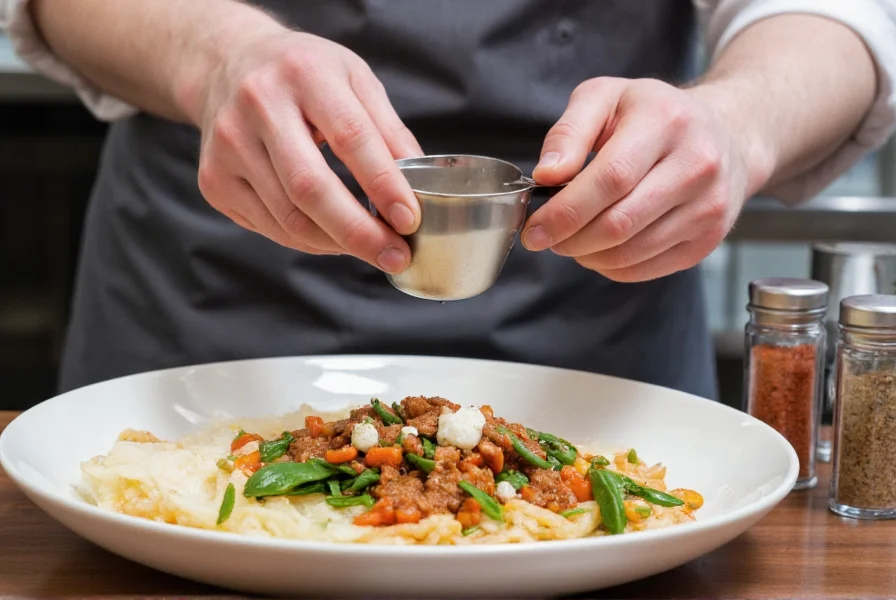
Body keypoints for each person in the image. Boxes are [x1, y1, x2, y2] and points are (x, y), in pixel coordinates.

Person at [2, 1, 895, 401]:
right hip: (209, 309)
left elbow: (830, 13)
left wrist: (733, 125)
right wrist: (214, 55)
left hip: (593, 346)